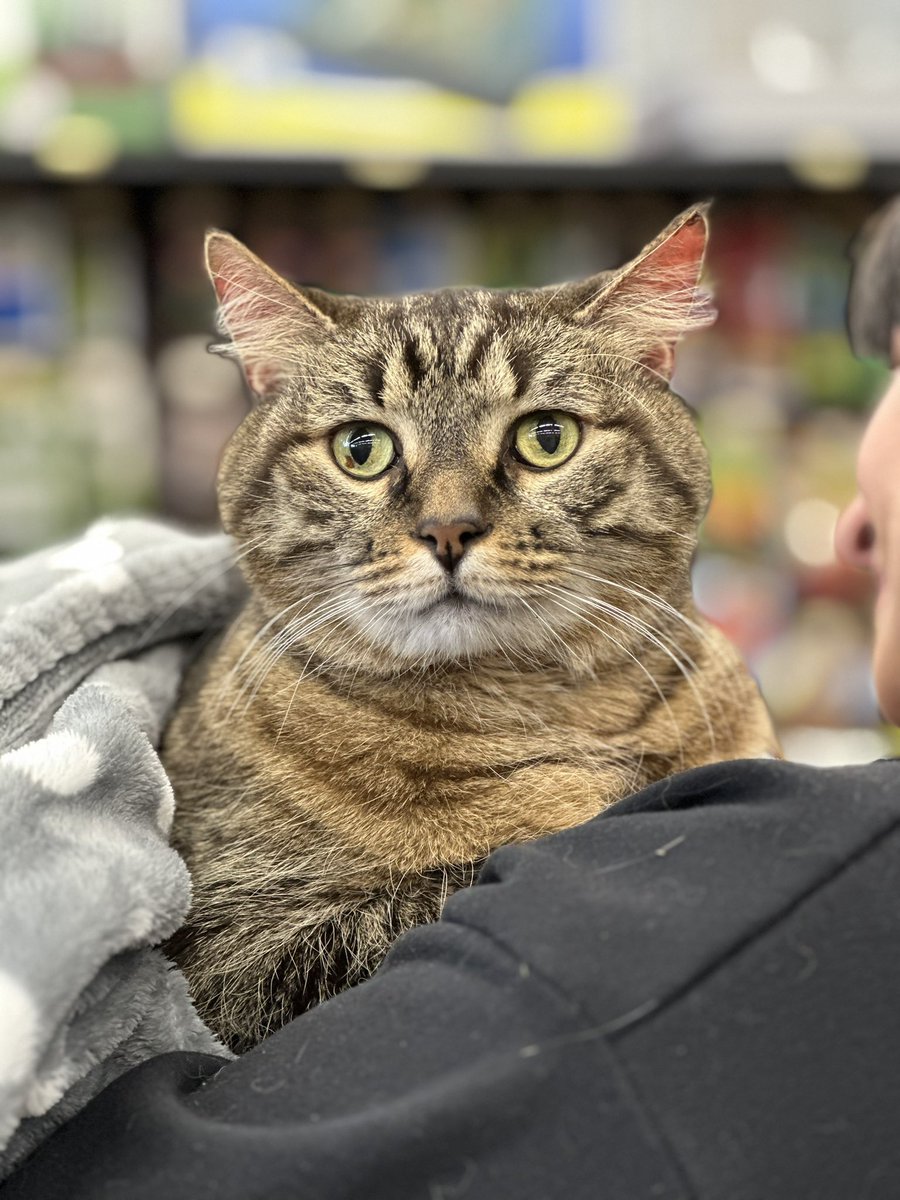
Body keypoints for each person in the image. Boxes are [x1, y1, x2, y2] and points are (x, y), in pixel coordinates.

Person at [6, 208, 900, 1200]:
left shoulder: (713, 700)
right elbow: (214, 990)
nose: (446, 521)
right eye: (360, 449)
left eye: (543, 436)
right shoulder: (262, 721)